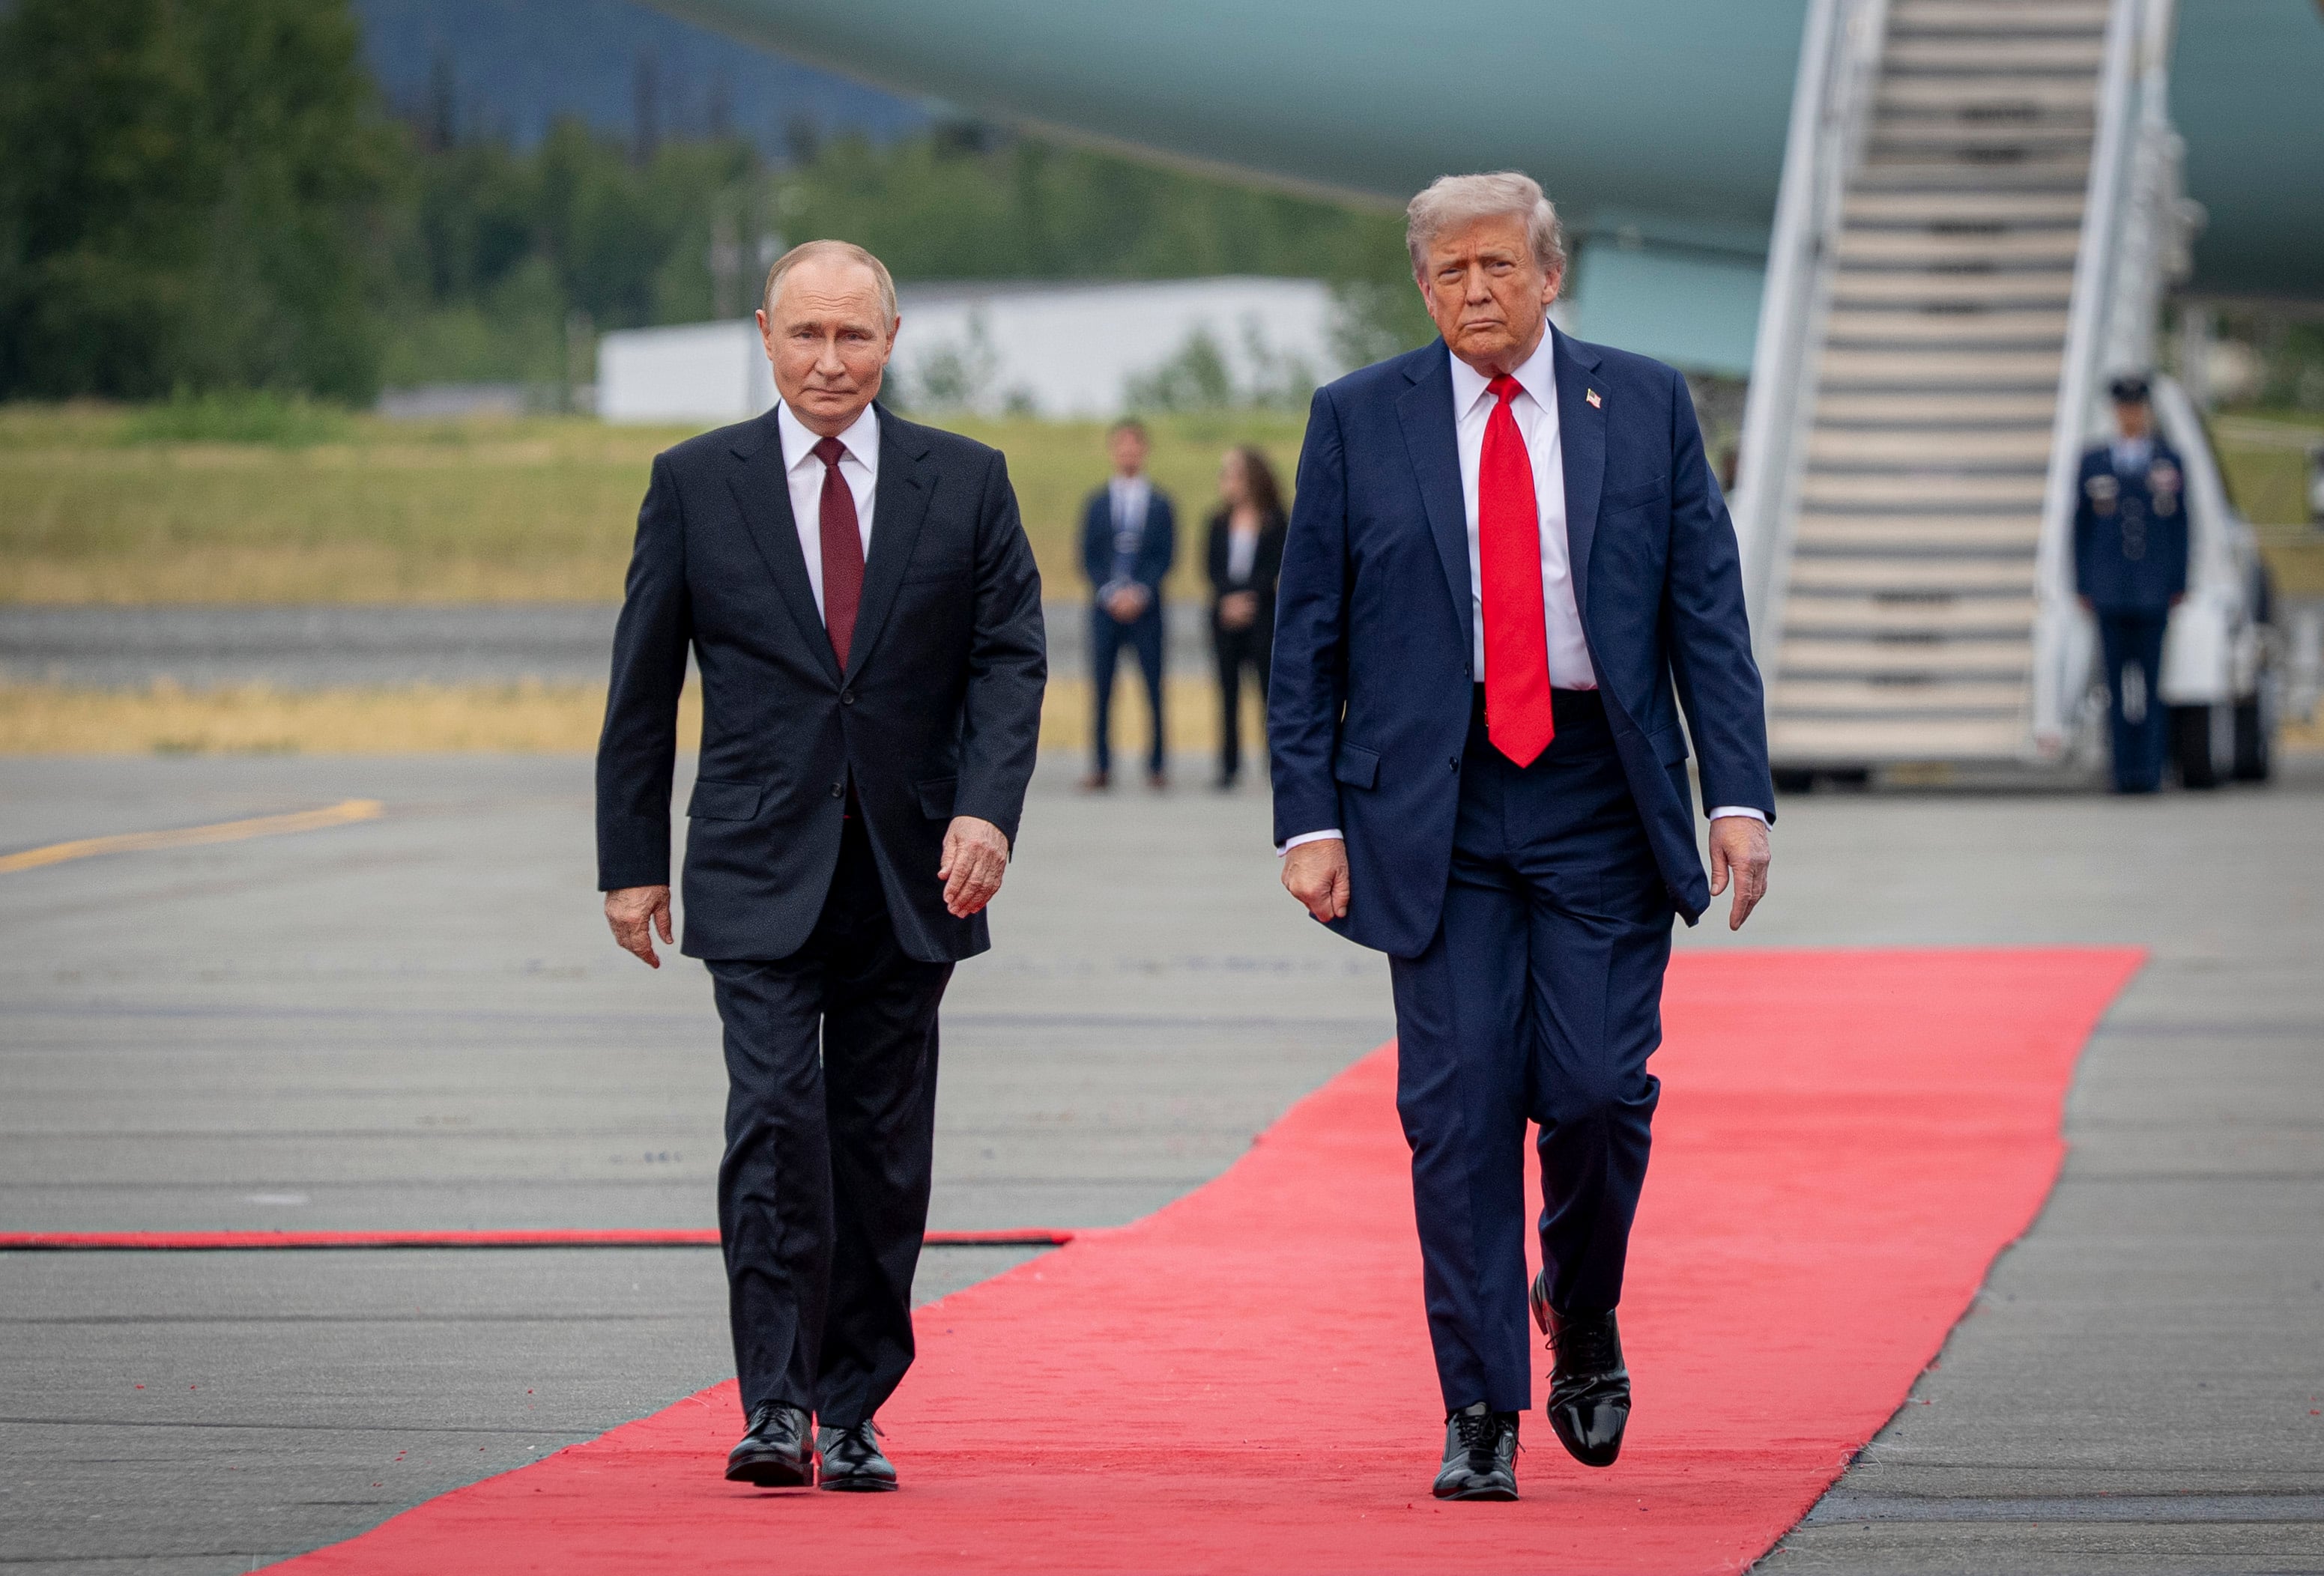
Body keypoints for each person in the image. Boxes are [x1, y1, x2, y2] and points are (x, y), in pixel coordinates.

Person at [1269, 172, 1773, 1502]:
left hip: (1598, 791)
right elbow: (1303, 634)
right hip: (1432, 811)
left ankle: (1584, 1301)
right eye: (1447, 271)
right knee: (1459, 1110)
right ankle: (1479, 1400)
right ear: (1421, 285)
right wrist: (1308, 817)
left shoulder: (1646, 402)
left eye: (1497, 265)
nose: (1474, 291)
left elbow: (1704, 613)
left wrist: (1737, 795)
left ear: (1552, 275)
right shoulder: (1356, 418)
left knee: (1601, 1091)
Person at [596, 240, 1045, 1493]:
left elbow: (1011, 658)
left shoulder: (965, 482)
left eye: (854, 336)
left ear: (892, 337)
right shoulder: (695, 483)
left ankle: (853, 1403)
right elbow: (642, 687)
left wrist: (986, 810)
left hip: (915, 867)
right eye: (807, 336)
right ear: (764, 334)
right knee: (776, 1123)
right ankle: (774, 1401)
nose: (830, 360)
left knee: (881, 1142)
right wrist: (630, 859)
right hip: (753, 862)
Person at [2075, 373, 2188, 794]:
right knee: (2116, 688)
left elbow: (2180, 528)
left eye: (2136, 409)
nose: (2130, 416)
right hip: (2109, 590)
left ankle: (2151, 771)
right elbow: (2080, 528)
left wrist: (2178, 581)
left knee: (2152, 685)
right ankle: (2122, 772)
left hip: (2154, 590)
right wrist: (2083, 584)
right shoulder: (2095, 461)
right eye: (2124, 409)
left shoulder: (2167, 461)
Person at [1080, 418, 1175, 789]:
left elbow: (1166, 555)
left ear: (1144, 450)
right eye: (1122, 446)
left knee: (1153, 687)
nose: (1128, 453)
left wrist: (1140, 591)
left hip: (1147, 611)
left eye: (1134, 446)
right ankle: (1101, 765)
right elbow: (1088, 556)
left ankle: (1157, 765)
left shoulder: (1161, 502)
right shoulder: (1097, 502)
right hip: (1105, 610)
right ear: (1113, 450)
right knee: (1102, 687)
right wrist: (1110, 591)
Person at [1205, 445, 1288, 789]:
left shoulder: (1275, 521)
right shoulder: (1218, 521)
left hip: (1262, 615)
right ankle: (1228, 765)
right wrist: (1228, 599)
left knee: (1268, 694)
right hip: (1224, 617)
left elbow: (1275, 565)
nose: (1227, 481)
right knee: (1227, 691)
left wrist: (1250, 598)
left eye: (1233, 473)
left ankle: (1274, 763)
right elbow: (1210, 566)